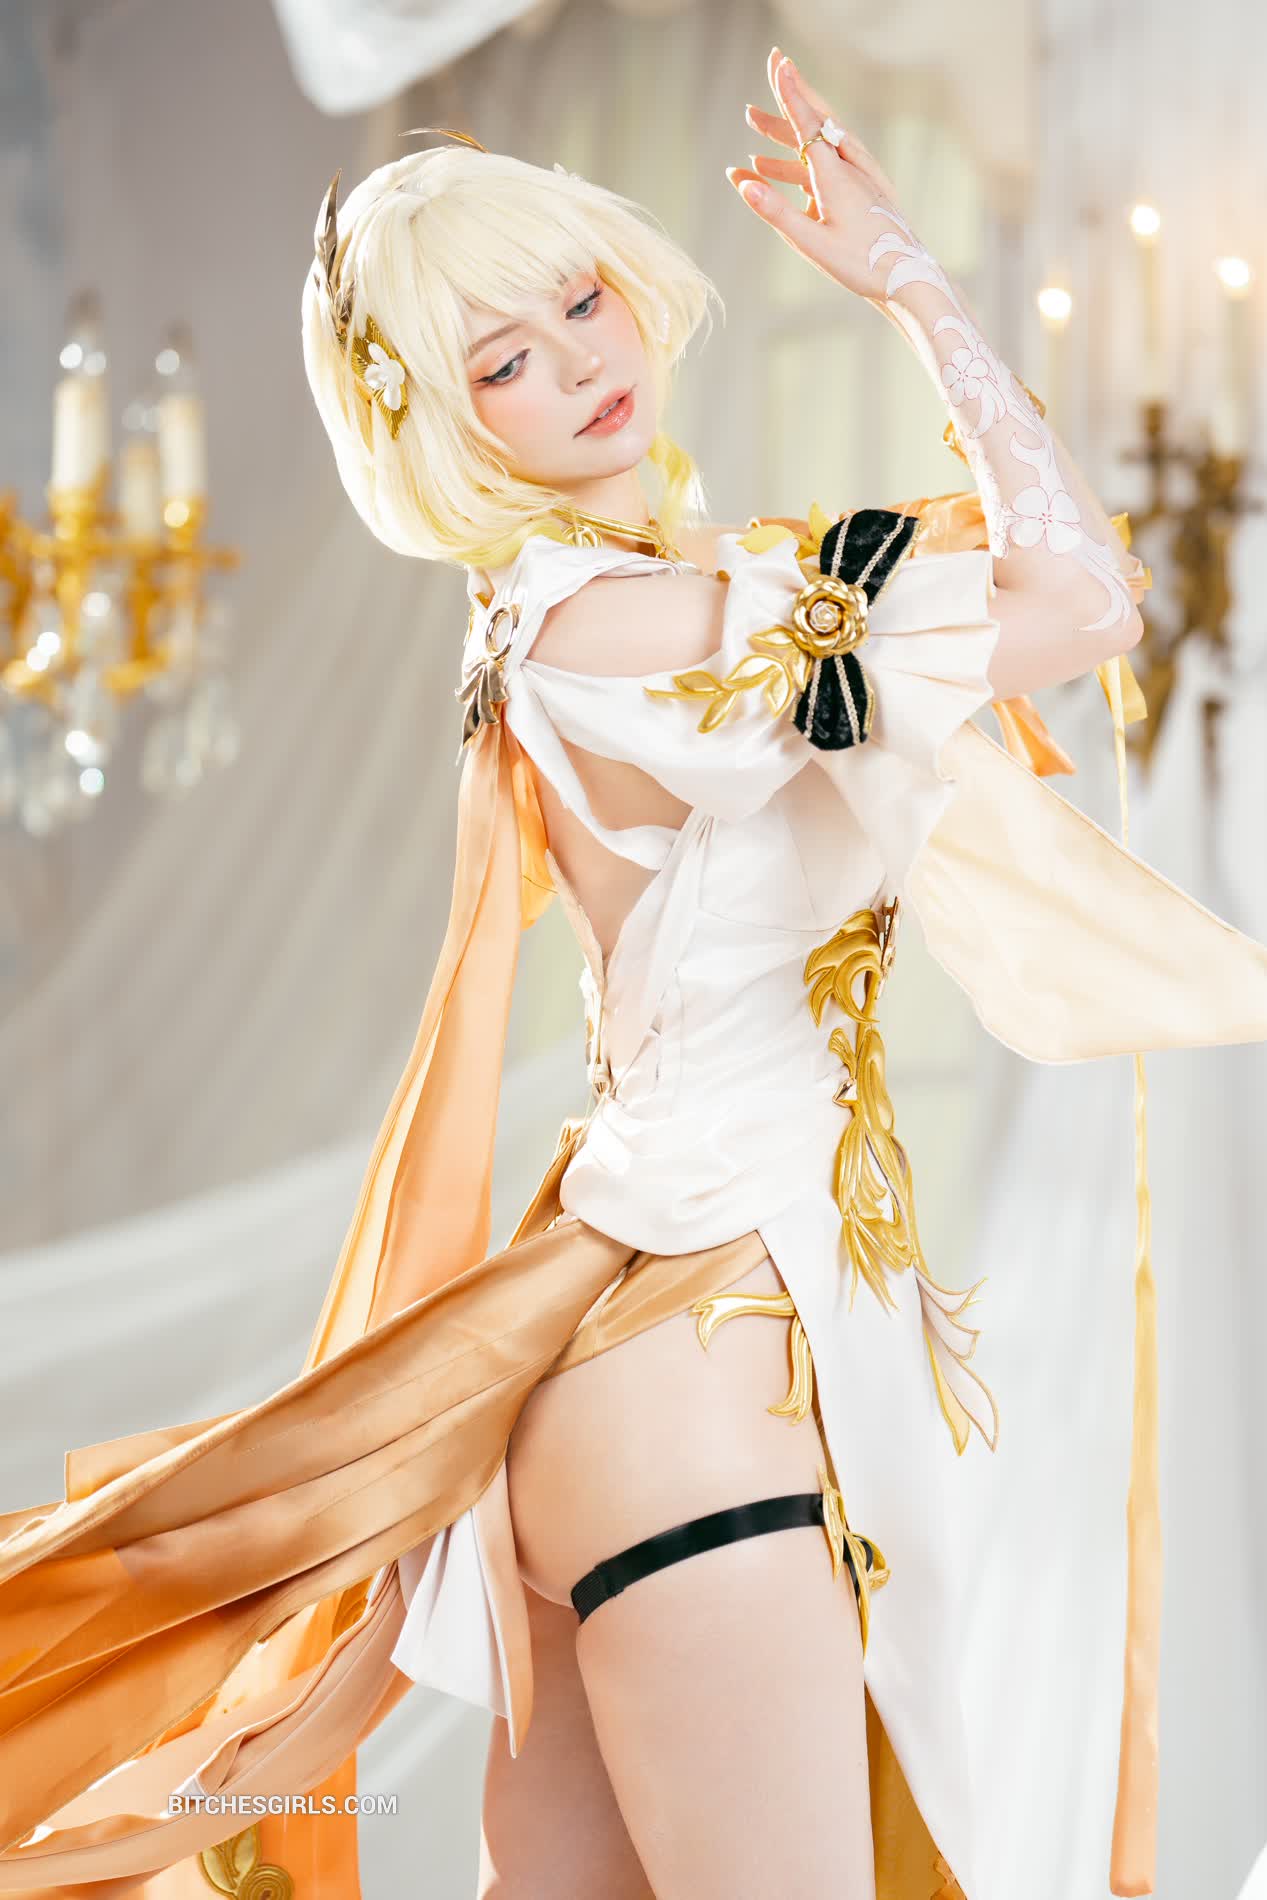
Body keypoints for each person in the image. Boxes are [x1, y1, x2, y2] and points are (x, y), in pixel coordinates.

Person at [3, 45, 1267, 1900]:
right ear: (445, 432)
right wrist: (912, 289)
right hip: (698, 1365)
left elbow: (1028, 606)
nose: (579, 363)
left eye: (578, 300)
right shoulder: (623, 630)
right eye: (500, 362)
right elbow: (1080, 598)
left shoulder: (651, 600)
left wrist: (914, 289)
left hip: (650, 1352)